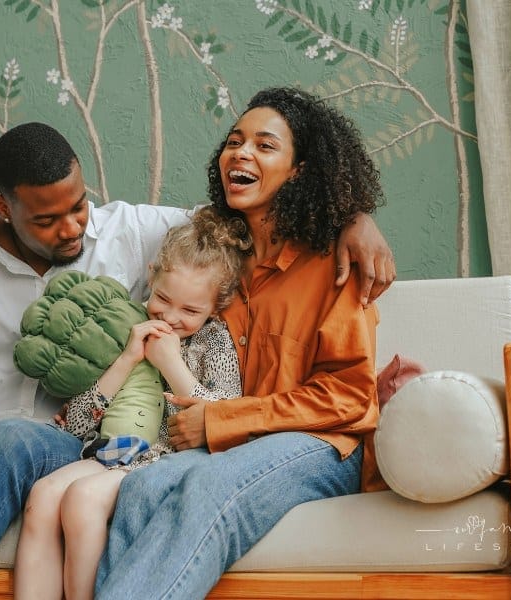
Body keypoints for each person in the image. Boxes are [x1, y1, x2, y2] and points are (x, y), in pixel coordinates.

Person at [0, 119, 393, 599]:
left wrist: (352, 217)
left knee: (12, 440)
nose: (73, 228)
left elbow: (249, 218)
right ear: (2, 207)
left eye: (79, 206)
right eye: (49, 218)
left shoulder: (131, 232)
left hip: (62, 442)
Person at [94, 87, 385, 599]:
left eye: (265, 145)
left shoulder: (335, 261)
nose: (242, 153)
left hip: (320, 446)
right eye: (235, 141)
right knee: (140, 490)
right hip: (231, 444)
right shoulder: (218, 258)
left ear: (299, 170)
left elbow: (350, 397)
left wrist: (358, 220)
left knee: (209, 487)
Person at [14, 207, 247, 600]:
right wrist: (126, 359)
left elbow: (225, 419)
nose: (171, 317)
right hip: (111, 451)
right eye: (163, 299)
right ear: (152, 276)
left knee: (82, 499)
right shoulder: (125, 328)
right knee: (43, 495)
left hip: (168, 459)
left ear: (216, 306)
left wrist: (172, 364)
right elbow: (74, 426)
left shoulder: (214, 340)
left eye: (190, 311)